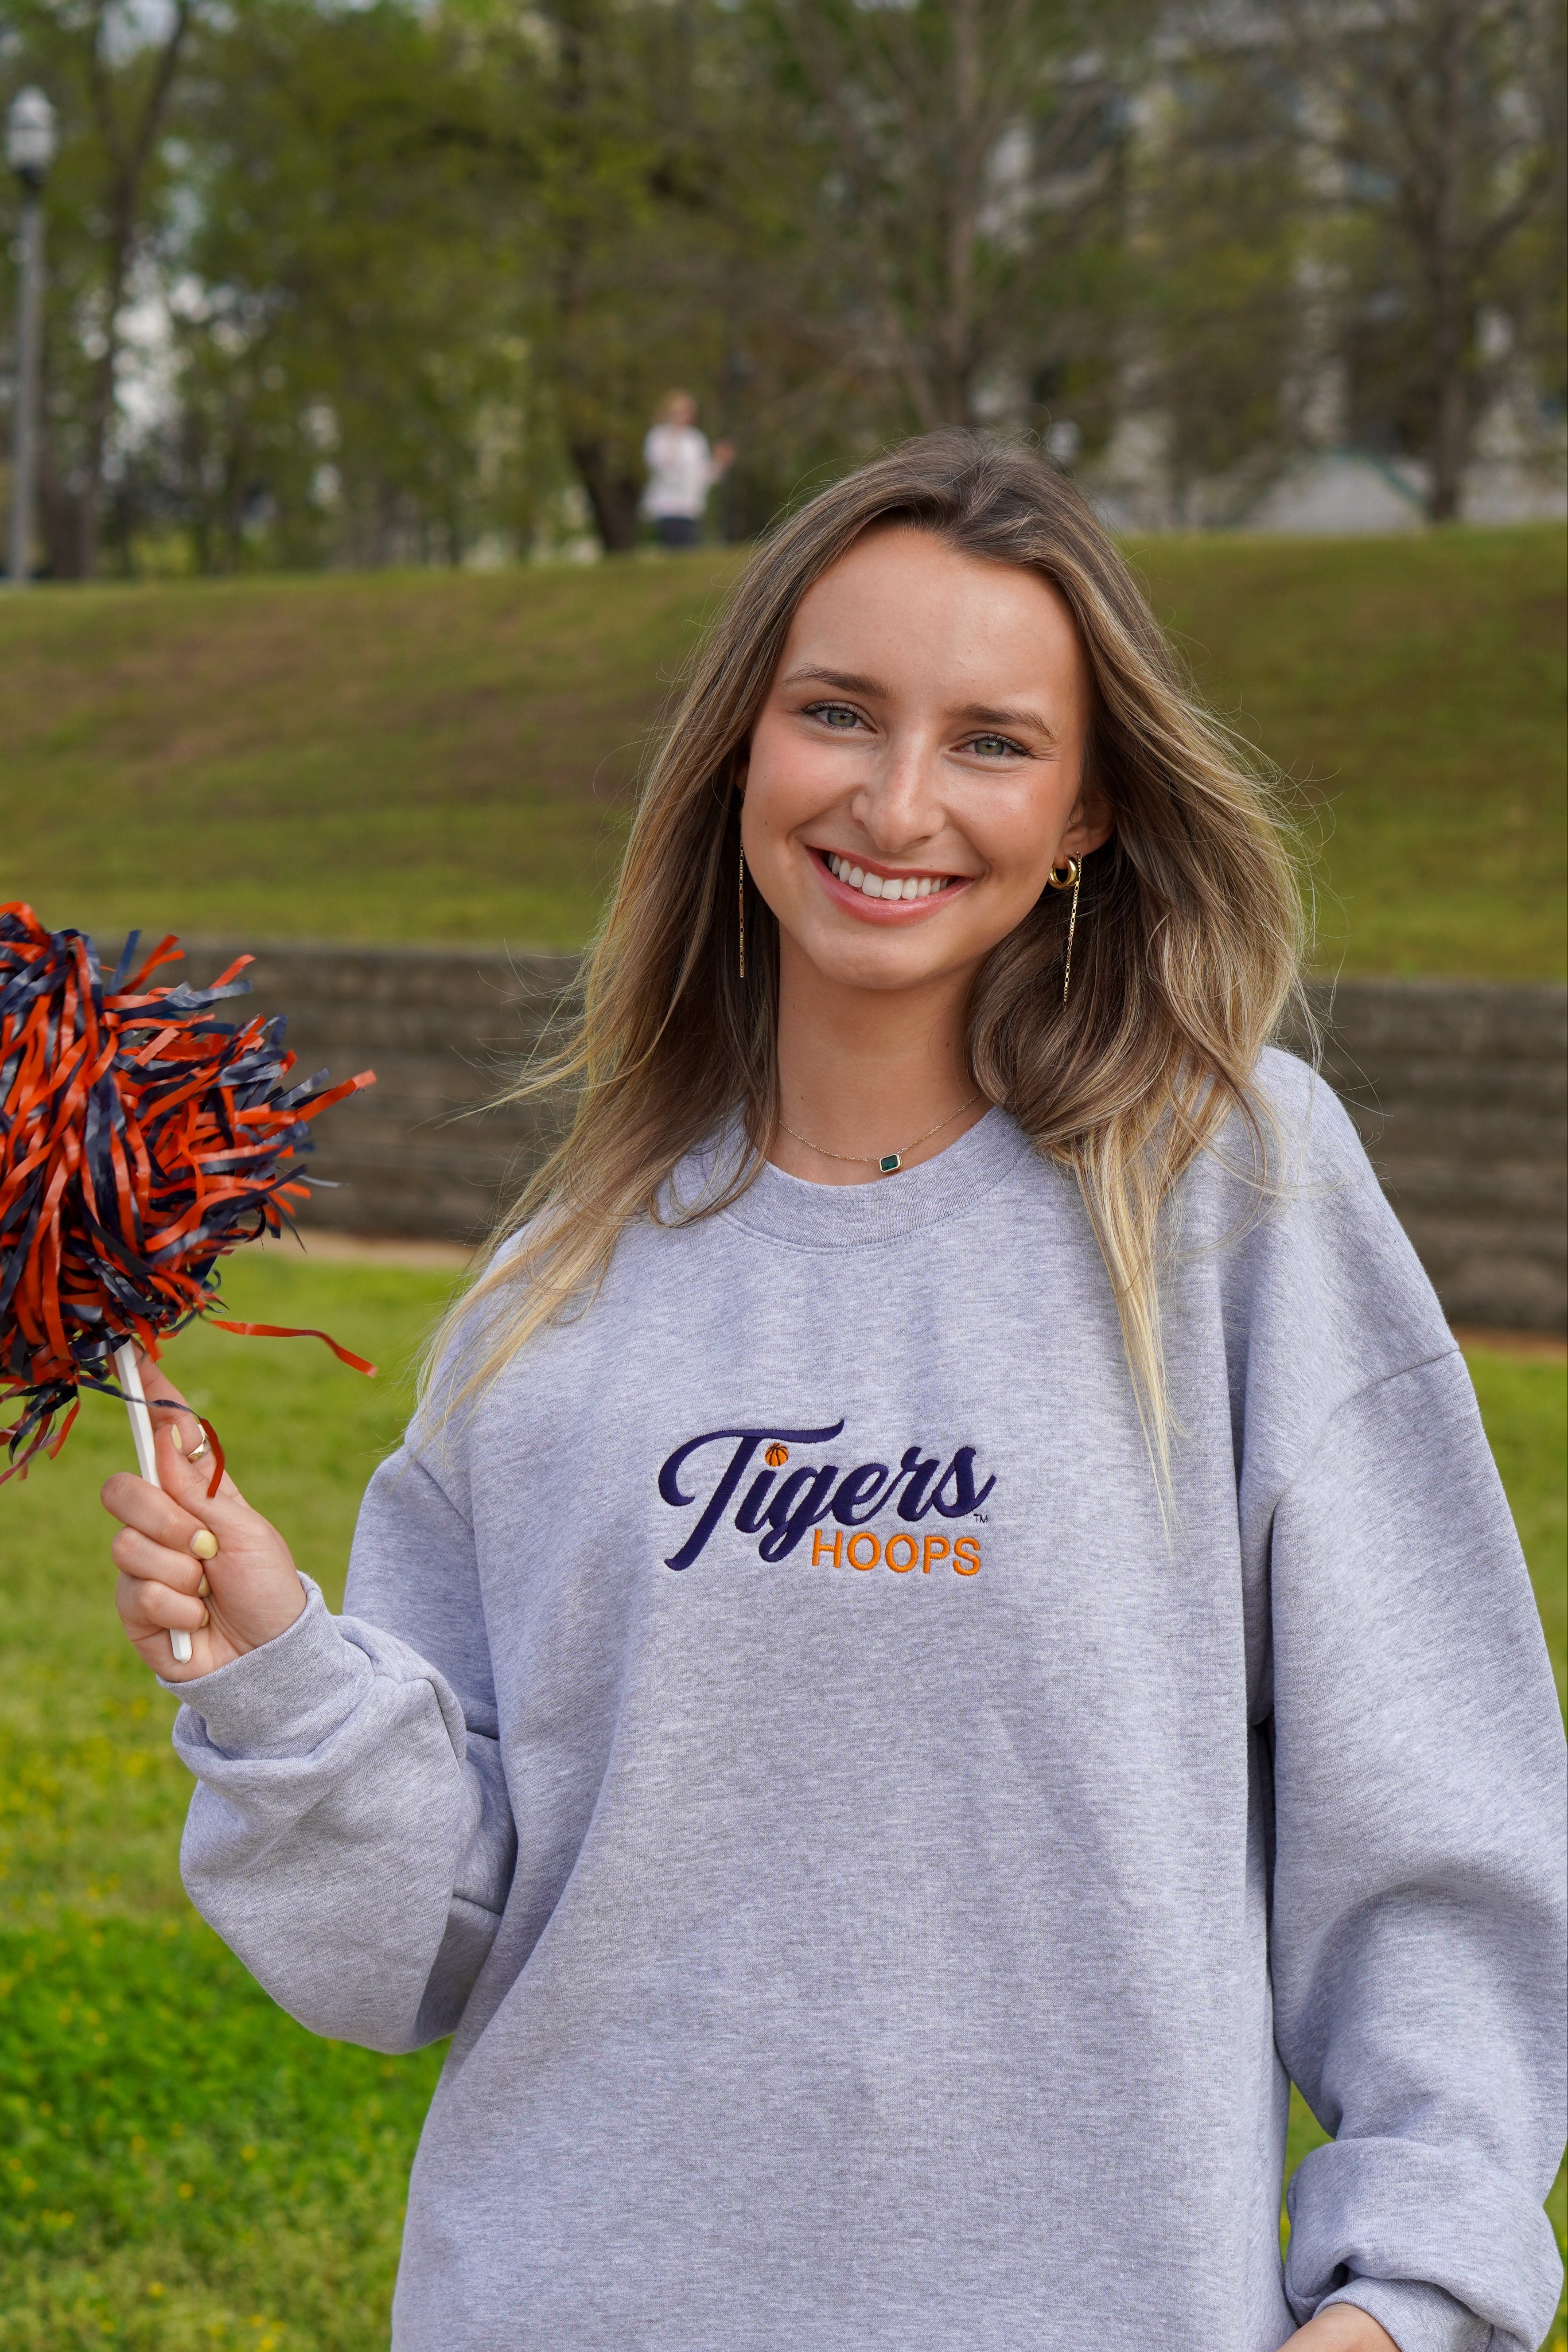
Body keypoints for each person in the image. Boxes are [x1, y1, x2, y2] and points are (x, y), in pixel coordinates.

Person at [103, 433, 1565, 2352]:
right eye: (838, 714)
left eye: (990, 739)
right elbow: (430, 1952)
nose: (895, 799)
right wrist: (278, 1665)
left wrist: (1407, 2300)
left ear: (1090, 806)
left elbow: (1435, 1827)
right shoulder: (560, 1287)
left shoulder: (1229, 1191)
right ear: (741, 752)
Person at [641, 389, 733, 547]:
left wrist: (720, 463)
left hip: (691, 507)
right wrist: (674, 435)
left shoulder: (696, 440)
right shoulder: (658, 437)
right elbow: (661, 467)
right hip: (667, 507)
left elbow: (704, 476)